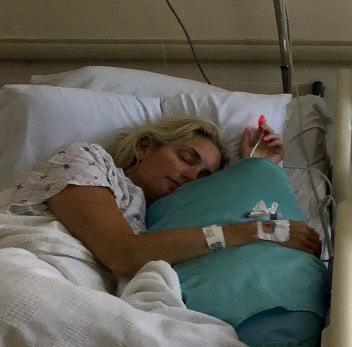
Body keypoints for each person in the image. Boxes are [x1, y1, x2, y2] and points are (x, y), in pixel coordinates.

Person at [7, 116, 321, 279]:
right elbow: (122, 254)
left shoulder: (160, 218)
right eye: (186, 157)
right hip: (29, 266)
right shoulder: (86, 159)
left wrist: (259, 165)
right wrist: (260, 231)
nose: (190, 176)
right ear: (145, 147)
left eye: (203, 178)